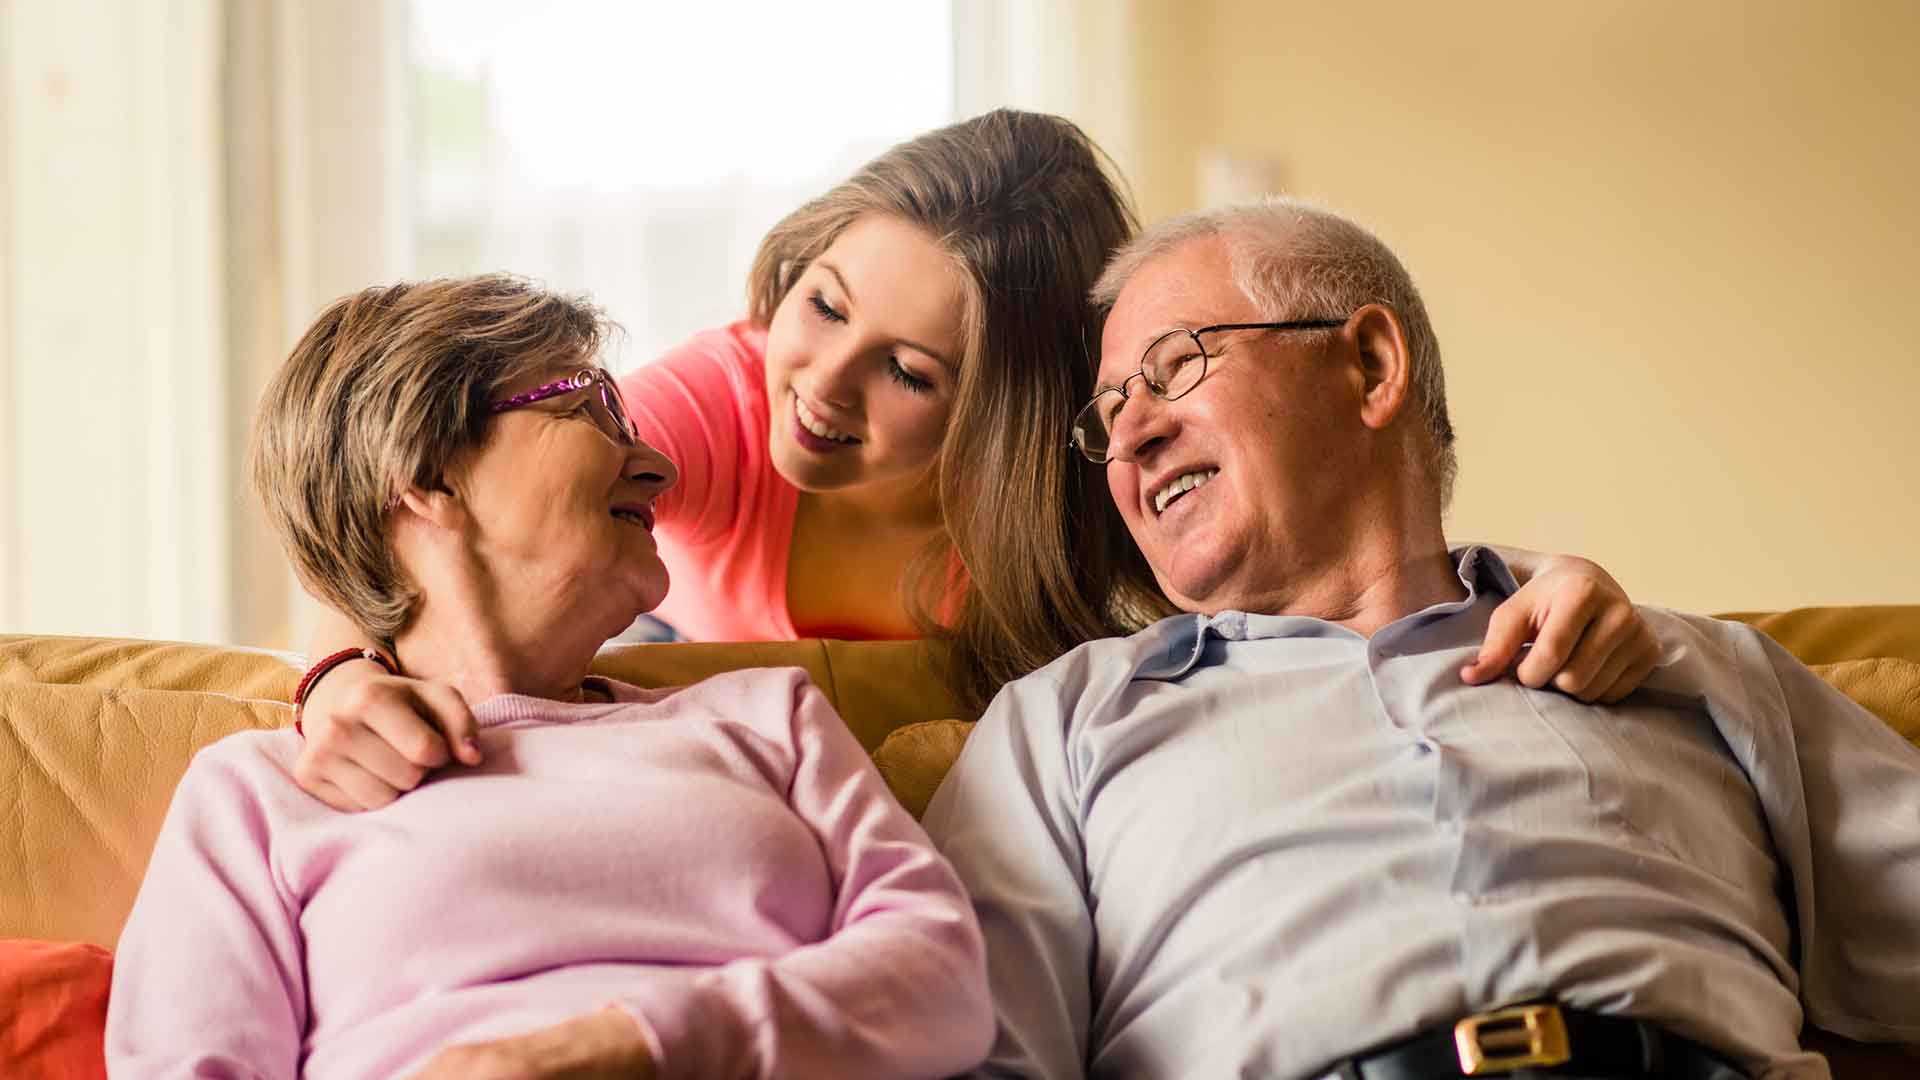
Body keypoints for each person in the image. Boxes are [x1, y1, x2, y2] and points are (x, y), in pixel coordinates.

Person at [287, 110, 1661, 813]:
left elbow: (1333, 566)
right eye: (824, 303)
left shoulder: (1079, 494)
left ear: (1001, 419)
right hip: (668, 671)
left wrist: (1545, 577)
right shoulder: (723, 391)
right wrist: (338, 676)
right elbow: (435, 522)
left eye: (910, 373)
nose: (820, 386)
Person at [922, 199, 1920, 1078]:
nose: (1131, 436)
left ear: (1370, 364)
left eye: (1170, 368)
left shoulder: (1688, 666)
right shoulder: (1062, 724)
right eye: (1108, 416)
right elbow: (966, 1055)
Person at [106, 276, 992, 1080]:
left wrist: (631, 1044)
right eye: (589, 409)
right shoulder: (260, 793)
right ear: (423, 475)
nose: (660, 465)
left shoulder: (769, 716)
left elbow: (944, 975)